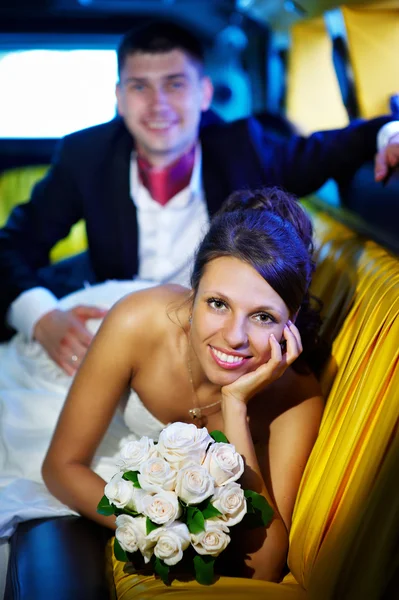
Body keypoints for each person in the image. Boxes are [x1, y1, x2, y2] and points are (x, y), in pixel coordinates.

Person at [0, 20, 398, 377]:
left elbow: (333, 147)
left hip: (209, 345)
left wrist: (388, 133)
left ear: (204, 93)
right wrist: (41, 317)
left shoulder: (244, 148)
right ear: (120, 98)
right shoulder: (85, 155)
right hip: (109, 329)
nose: (158, 105)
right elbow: (12, 245)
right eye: (140, 87)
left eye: (175, 84)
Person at [42, 187, 324, 583]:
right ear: (192, 296)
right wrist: (159, 531)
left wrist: (235, 404)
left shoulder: (297, 399)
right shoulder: (136, 322)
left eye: (262, 317)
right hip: (74, 362)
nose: (234, 337)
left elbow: (264, 566)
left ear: (290, 323)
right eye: (217, 303)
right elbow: (59, 466)